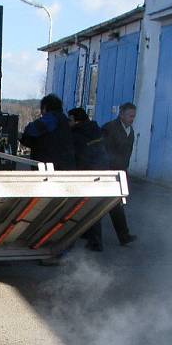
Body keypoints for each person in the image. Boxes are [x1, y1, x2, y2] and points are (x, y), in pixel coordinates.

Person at [94, 101, 138, 248]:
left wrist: (124, 172)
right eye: (130, 116)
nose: (132, 119)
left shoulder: (130, 131)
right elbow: (101, 151)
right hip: (107, 172)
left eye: (133, 116)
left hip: (119, 172)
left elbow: (127, 155)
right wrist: (105, 171)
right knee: (99, 207)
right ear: (121, 114)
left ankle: (123, 236)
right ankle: (95, 241)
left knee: (115, 205)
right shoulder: (109, 128)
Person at [68, 107, 111, 251]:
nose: (68, 123)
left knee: (85, 206)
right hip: (101, 169)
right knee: (93, 206)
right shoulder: (94, 128)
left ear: (75, 119)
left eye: (69, 120)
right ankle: (88, 235)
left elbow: (79, 156)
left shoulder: (77, 134)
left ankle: (95, 242)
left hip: (88, 172)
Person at [19, 93, 77, 170]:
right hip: (64, 168)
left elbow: (32, 129)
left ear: (45, 107)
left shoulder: (52, 118)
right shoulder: (63, 121)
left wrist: (22, 135)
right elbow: (45, 141)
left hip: (52, 170)